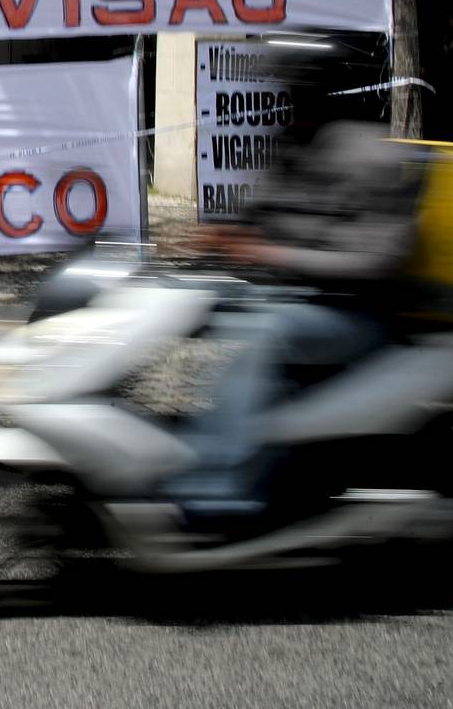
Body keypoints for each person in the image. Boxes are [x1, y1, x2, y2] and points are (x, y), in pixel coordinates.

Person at [163, 33, 422, 522]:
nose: (289, 96)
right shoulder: (294, 144)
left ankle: (218, 489)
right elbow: (260, 220)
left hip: (355, 314)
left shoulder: (371, 154)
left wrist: (267, 251)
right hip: (295, 300)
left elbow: (378, 261)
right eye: (287, 86)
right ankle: (166, 445)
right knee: (176, 304)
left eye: (299, 85)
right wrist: (212, 238)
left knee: (258, 335)